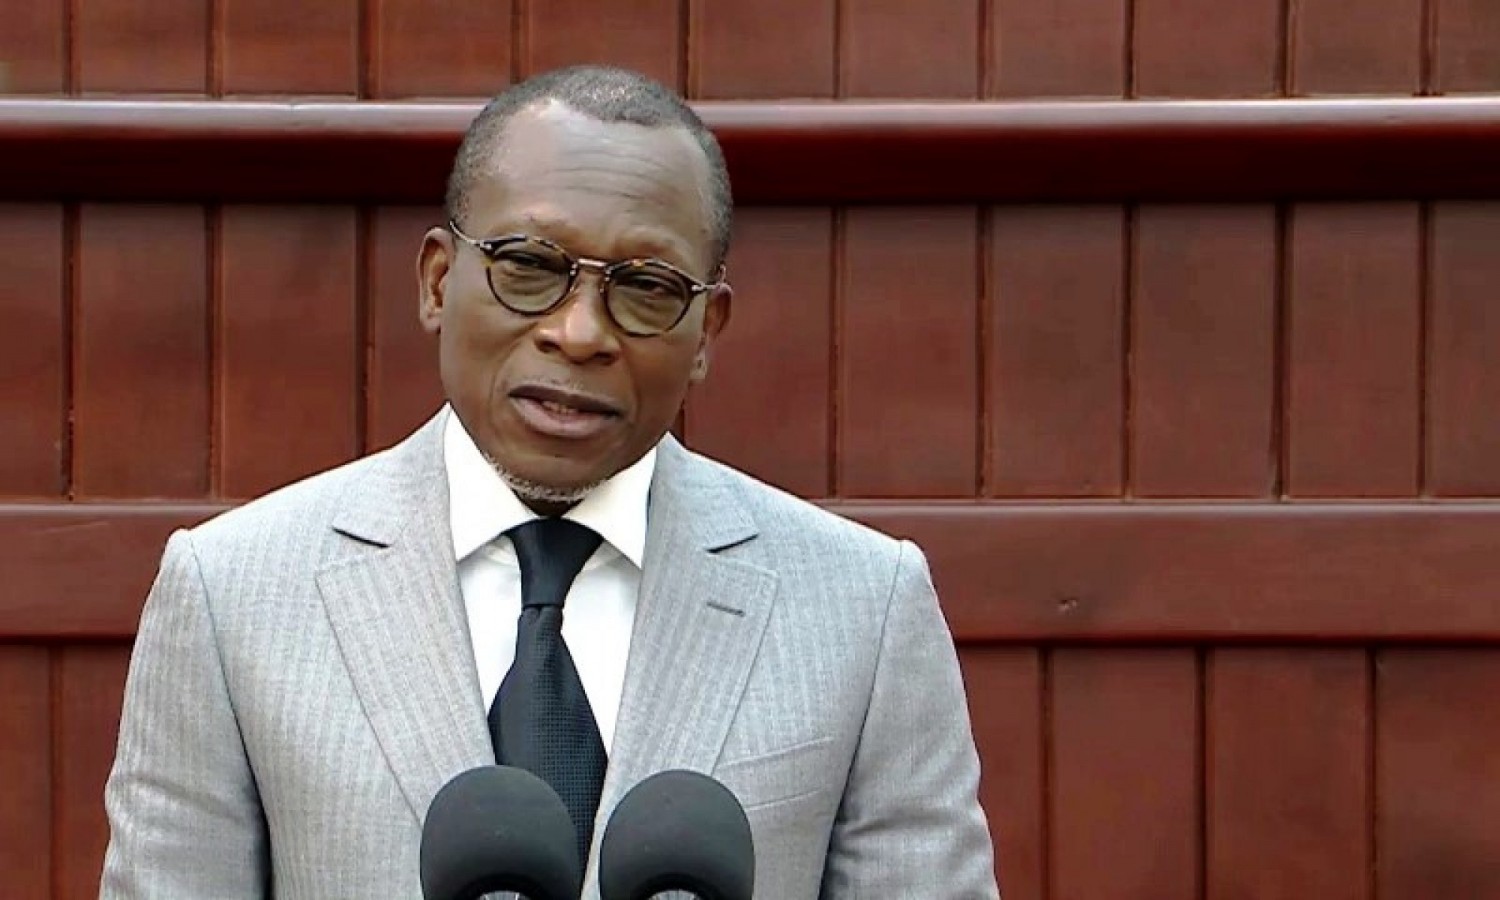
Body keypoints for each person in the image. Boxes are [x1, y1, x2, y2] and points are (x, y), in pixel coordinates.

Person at [99, 64, 998, 899]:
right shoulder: (233, 594)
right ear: (438, 282)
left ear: (706, 333)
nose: (579, 332)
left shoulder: (863, 607)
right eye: (529, 267)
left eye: (646, 287)